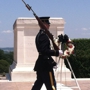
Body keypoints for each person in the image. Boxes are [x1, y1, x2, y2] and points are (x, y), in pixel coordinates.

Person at [31, 16, 63, 90]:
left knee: (38, 84)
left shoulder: (40, 34)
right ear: (44, 24)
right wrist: (57, 52)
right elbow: (44, 51)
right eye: (48, 24)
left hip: (42, 64)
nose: (49, 25)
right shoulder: (43, 36)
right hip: (46, 66)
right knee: (51, 86)